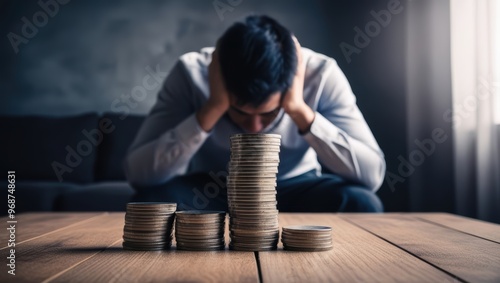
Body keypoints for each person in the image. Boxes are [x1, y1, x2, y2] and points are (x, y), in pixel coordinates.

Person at [124, 15, 385, 212]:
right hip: (211, 187)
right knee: (149, 204)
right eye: (239, 112)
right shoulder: (190, 73)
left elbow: (372, 176)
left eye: (269, 114)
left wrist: (299, 110)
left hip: (296, 186)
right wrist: (212, 109)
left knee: (362, 203)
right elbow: (138, 175)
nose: (254, 128)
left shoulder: (322, 73)